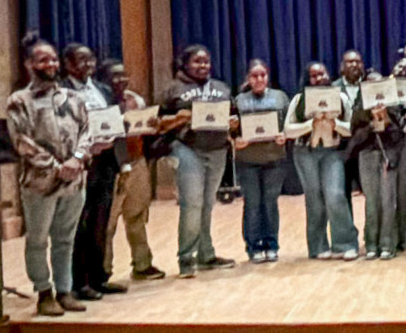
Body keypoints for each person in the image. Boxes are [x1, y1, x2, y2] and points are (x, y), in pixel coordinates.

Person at [9, 33, 93, 316]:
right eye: (43, 59)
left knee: (65, 239)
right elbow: (22, 141)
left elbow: (87, 131)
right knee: (37, 239)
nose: (50, 63)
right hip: (40, 183)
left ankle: (65, 290)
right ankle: (44, 292)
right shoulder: (19, 100)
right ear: (29, 64)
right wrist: (59, 167)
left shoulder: (74, 97)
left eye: (53, 58)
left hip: (75, 180)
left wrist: (78, 159)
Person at [157, 44, 238, 278]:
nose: (203, 66)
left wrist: (234, 123)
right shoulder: (174, 89)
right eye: (197, 62)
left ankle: (206, 254)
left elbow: (233, 115)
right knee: (192, 204)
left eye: (206, 62)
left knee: (207, 204)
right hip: (187, 149)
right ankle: (186, 258)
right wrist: (180, 118)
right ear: (185, 64)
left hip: (217, 149)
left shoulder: (221, 87)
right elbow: (157, 122)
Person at [58, 44, 125, 300]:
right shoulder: (61, 92)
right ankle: (79, 282)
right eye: (81, 60)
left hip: (106, 162)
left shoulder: (104, 89)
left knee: (100, 222)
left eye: (91, 60)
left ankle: (99, 278)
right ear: (68, 64)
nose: (87, 65)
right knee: (80, 225)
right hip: (82, 163)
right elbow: (61, 129)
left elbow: (112, 119)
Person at [96, 60, 164, 281]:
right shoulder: (98, 101)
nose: (121, 80)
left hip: (136, 162)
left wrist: (152, 125)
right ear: (102, 78)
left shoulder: (135, 100)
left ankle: (142, 264)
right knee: (107, 222)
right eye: (114, 76)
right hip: (111, 166)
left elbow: (143, 128)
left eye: (123, 75)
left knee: (136, 215)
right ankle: (103, 271)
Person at [348, 59, 406, 260]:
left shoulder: (392, 107)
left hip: (388, 155)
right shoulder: (359, 109)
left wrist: (385, 119)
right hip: (367, 155)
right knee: (372, 201)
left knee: (388, 200)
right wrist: (370, 123)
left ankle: (388, 243)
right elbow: (355, 136)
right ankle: (371, 243)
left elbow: (398, 135)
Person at [232, 60, 291, 263]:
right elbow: (231, 130)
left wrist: (285, 135)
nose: (259, 79)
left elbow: (289, 125)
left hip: (274, 159)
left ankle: (271, 244)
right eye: (255, 75)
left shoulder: (280, 97)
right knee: (253, 204)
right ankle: (253, 246)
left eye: (263, 75)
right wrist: (235, 141)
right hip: (247, 161)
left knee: (270, 203)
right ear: (248, 78)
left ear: (267, 77)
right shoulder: (238, 100)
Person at [335, 50, 366, 197]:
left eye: (357, 61)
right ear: (342, 67)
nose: (354, 65)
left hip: (366, 147)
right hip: (342, 148)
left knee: (371, 194)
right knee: (343, 194)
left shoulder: (370, 85)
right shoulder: (333, 88)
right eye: (350, 62)